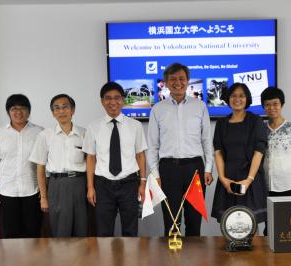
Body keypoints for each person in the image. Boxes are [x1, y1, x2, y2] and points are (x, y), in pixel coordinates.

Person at [147, 63, 214, 236]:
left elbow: (207, 140)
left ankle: (194, 259)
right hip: (168, 170)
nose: (178, 82)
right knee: (171, 221)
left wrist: (208, 169)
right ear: (166, 83)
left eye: (182, 78)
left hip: (195, 169)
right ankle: (172, 260)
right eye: (173, 79)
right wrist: (156, 174)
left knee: (194, 220)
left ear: (187, 81)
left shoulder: (200, 106)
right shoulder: (157, 109)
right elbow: (153, 145)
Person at [83, 82, 147, 237]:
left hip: (129, 183)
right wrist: (90, 187)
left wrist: (142, 183)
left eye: (117, 98)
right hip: (103, 185)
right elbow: (91, 158)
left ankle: (130, 261)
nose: (113, 102)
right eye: (108, 98)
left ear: (123, 100)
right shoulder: (93, 127)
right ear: (102, 101)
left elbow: (140, 155)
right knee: (103, 231)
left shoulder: (135, 126)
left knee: (130, 230)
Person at [29, 94, 87, 237]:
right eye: (57, 108)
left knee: (82, 230)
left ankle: (82, 260)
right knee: (61, 231)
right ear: (53, 113)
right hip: (57, 185)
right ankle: (62, 260)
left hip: (80, 184)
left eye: (65, 107)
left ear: (72, 110)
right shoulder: (45, 136)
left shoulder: (84, 134)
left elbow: (92, 163)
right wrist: (43, 197)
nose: (61, 111)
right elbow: (40, 169)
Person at [0, 94, 43, 238]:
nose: (18, 112)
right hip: (7, 191)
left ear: (29, 111)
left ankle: (33, 261)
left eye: (23, 108)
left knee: (33, 231)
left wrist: (44, 190)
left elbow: (44, 163)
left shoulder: (40, 132)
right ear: (8, 112)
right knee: (11, 233)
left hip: (32, 190)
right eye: (14, 108)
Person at [211, 83, 268, 225]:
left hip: (250, 180)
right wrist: (223, 179)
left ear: (247, 99)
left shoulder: (256, 121)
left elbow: (259, 152)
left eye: (241, 95)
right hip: (227, 181)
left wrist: (248, 180)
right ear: (228, 99)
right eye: (234, 95)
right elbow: (217, 152)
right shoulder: (221, 123)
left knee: (250, 225)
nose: (237, 99)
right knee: (228, 225)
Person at [260, 87, 291, 235]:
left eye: (275, 104)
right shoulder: (261, 128)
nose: (272, 108)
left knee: (290, 224)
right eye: (267, 104)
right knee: (270, 226)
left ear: (281, 104)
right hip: (267, 185)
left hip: (289, 184)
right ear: (264, 106)